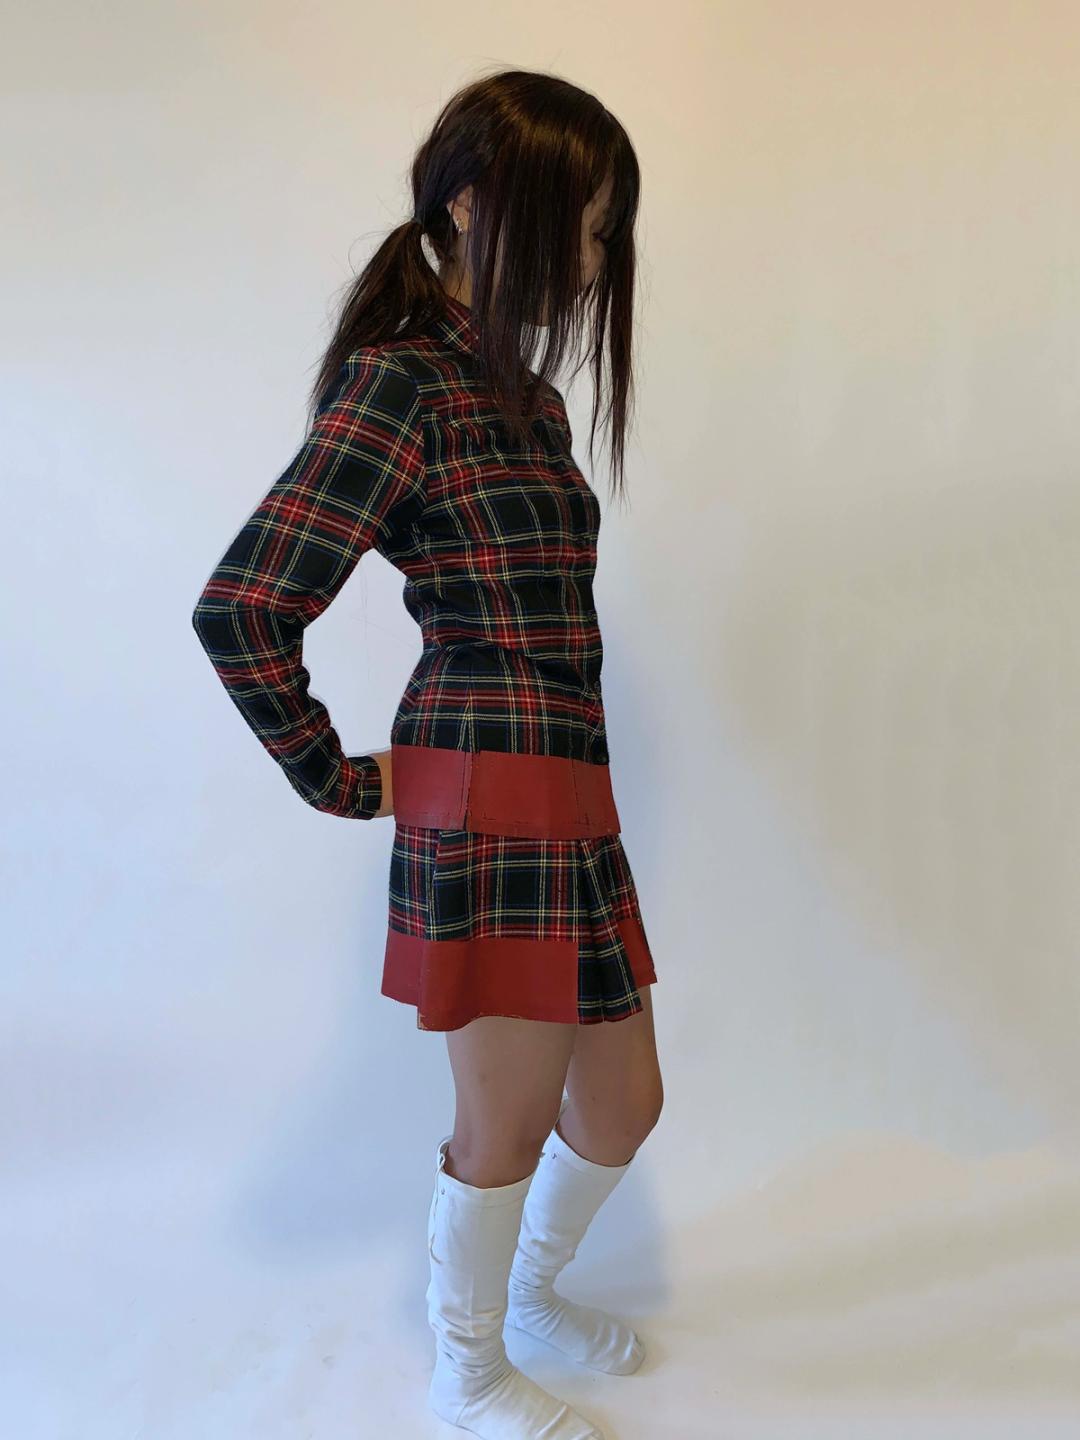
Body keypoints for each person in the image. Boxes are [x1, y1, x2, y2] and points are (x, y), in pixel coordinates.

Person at [192, 67, 663, 1440]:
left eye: (604, 232)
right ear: (467, 204)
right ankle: (468, 1369)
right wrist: (341, 779)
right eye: (577, 224)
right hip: (489, 801)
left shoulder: (530, 401)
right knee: (502, 1122)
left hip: (571, 798)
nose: (592, 260)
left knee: (623, 1105)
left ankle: (527, 1296)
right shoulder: (403, 385)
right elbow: (243, 606)